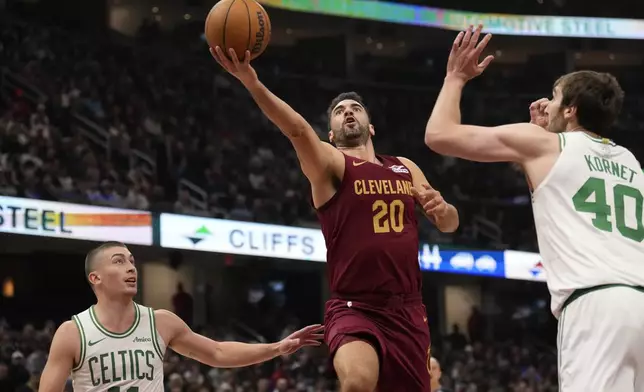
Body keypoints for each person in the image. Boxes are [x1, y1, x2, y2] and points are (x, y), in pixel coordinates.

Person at [211, 46, 459, 392]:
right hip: (354, 306)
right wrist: (252, 83)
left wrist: (442, 208)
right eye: (339, 111)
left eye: (355, 109)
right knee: (357, 382)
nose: (348, 113)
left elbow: (450, 224)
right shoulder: (331, 165)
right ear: (330, 133)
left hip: (408, 309)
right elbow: (297, 130)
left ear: (370, 127)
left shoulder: (404, 166)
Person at [425, 24, 644, 392]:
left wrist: (455, 78)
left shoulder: (543, 144)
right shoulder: (631, 162)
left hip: (594, 304)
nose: (546, 103)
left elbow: (439, 134)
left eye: (554, 97)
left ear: (571, 110)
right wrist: (540, 133)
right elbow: (557, 175)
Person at [38, 242, 324, 392]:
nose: (130, 268)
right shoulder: (72, 332)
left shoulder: (161, 322)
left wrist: (276, 348)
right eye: (119, 261)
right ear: (95, 277)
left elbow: (218, 352)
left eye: (132, 261)